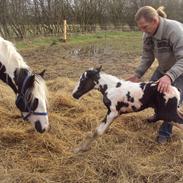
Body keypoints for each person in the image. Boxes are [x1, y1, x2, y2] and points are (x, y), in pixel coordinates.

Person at [128, 6, 183, 144]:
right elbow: (147, 56)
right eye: (140, 28)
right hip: (163, 68)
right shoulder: (147, 34)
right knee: (151, 93)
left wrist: (169, 76)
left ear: (155, 21)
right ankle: (159, 114)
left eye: (145, 27)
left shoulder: (174, 30)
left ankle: (165, 133)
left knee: (170, 102)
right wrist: (137, 75)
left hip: (180, 70)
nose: (143, 31)